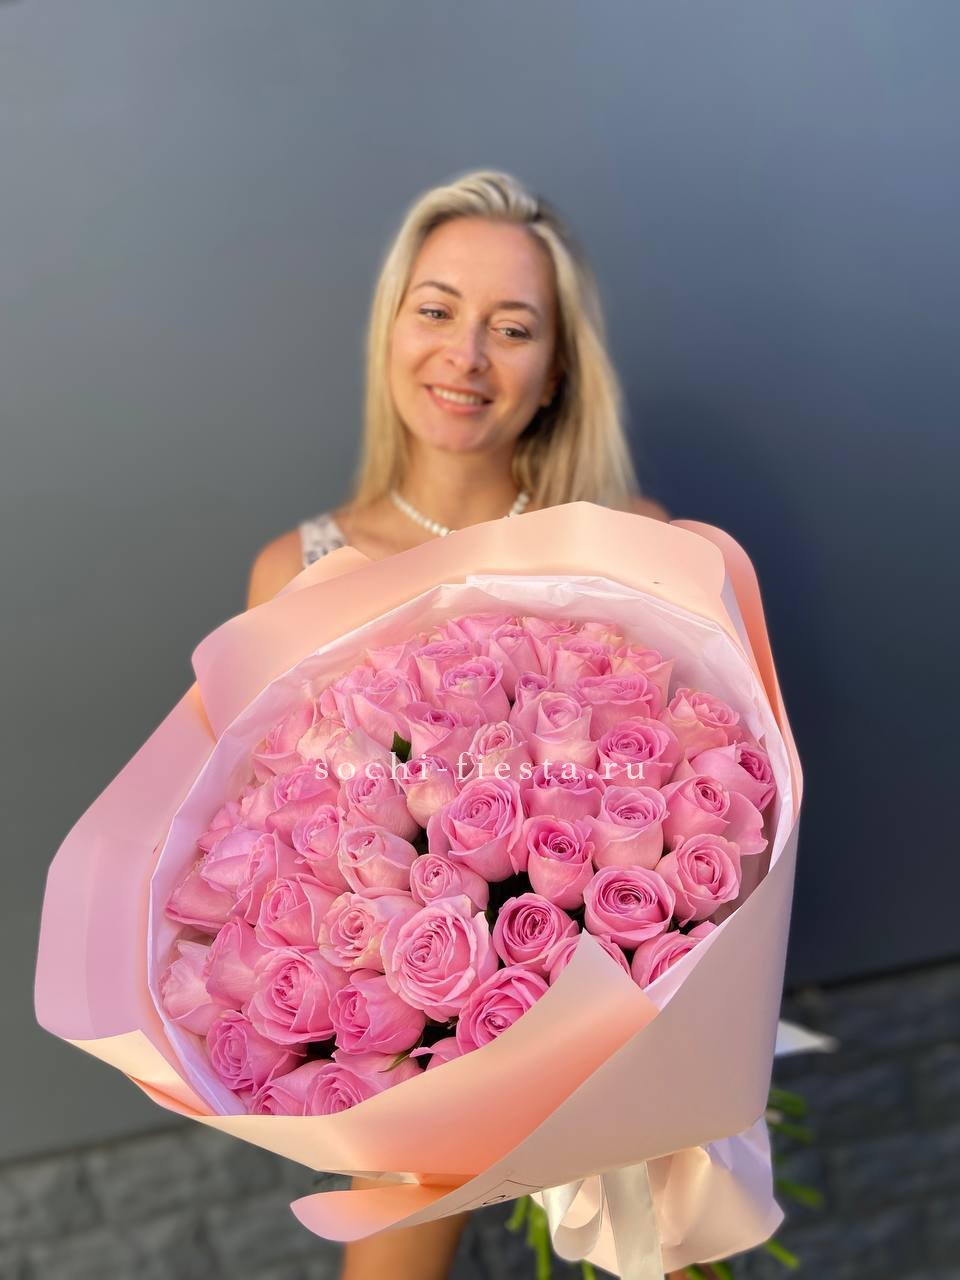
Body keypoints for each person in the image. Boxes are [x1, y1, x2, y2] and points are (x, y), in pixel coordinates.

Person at [245, 169, 679, 1280]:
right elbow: (271, 845)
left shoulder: (632, 542)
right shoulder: (296, 573)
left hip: (624, 1034)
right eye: (436, 309)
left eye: (513, 327)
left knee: (670, 1244)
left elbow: (697, 783)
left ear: (558, 370)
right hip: (411, 1050)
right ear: (391, 329)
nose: (466, 355)